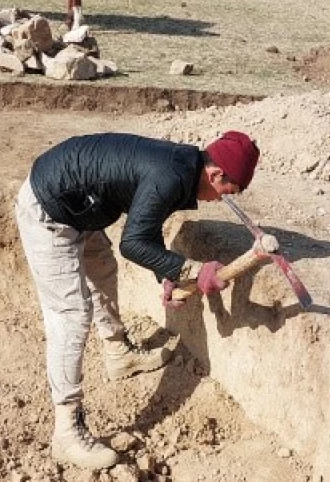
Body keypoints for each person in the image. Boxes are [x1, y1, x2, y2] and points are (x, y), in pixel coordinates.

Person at [15, 130, 261, 469]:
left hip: (80, 205)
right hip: (50, 210)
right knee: (72, 316)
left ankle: (118, 353)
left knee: (102, 269)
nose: (220, 200)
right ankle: (67, 432)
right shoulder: (172, 176)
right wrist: (191, 269)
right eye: (226, 192)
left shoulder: (183, 167)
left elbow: (147, 224)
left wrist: (168, 273)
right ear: (216, 173)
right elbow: (132, 244)